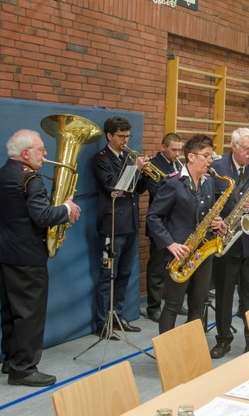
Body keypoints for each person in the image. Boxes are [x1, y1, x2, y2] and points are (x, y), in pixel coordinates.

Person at [0, 129, 80, 387]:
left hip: (7, 252)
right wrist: (66, 208)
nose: (45, 154)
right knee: (30, 314)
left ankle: (11, 360)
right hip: (28, 255)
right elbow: (41, 217)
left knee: (11, 311)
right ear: (26, 153)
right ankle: (24, 369)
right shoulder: (31, 179)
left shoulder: (2, 174)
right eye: (41, 149)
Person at [146, 134, 226, 334]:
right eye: (206, 156)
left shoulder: (208, 182)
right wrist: (170, 244)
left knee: (198, 305)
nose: (210, 160)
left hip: (202, 253)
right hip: (179, 253)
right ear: (191, 157)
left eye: (211, 156)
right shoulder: (173, 182)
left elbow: (205, 215)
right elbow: (153, 217)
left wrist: (217, 222)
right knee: (172, 305)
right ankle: (166, 355)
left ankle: (192, 350)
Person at [210, 127, 249, 358]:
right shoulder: (216, 167)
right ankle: (223, 339)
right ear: (233, 147)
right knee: (224, 293)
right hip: (226, 239)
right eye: (246, 149)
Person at [92, 116, 149, 336]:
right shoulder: (101, 159)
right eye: (121, 136)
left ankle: (118, 316)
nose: (126, 140)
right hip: (112, 224)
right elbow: (113, 186)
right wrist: (135, 169)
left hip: (131, 223)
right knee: (108, 276)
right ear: (110, 136)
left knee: (125, 273)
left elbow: (137, 189)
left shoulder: (128, 157)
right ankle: (103, 323)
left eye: (127, 136)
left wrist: (143, 173)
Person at [144, 132, 184, 323]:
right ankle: (153, 307)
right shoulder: (153, 164)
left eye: (180, 150)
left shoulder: (179, 165)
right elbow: (154, 190)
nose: (178, 154)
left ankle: (172, 301)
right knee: (157, 267)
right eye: (174, 150)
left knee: (174, 265)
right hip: (160, 223)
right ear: (163, 147)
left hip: (177, 223)